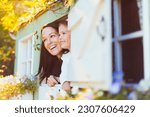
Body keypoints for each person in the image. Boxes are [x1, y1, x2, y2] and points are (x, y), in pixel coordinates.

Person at [58, 21, 72, 91]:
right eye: (59, 34)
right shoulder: (66, 57)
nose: (60, 37)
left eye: (63, 33)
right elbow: (63, 76)